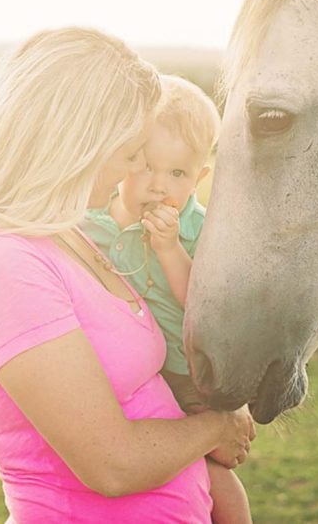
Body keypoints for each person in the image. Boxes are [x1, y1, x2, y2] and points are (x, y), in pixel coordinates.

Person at [0, 27, 255, 523]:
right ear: (80, 145)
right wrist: (215, 428)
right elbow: (112, 464)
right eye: (131, 152)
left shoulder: (63, 233)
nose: (138, 168)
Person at [81, 74, 250, 522]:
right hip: (131, 374)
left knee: (214, 477)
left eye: (177, 173)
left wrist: (170, 249)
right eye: (146, 167)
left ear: (201, 177)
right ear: (123, 161)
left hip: (186, 372)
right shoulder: (91, 225)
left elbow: (205, 303)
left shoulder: (201, 231)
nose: (159, 186)